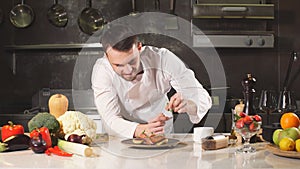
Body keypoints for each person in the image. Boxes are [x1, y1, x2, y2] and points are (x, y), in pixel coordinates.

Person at [91, 24, 212, 138]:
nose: (128, 70)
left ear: (139, 47)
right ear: (107, 56)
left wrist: (189, 103)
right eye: (118, 65)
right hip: (121, 139)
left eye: (132, 61)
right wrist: (140, 130)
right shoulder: (102, 71)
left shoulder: (163, 59)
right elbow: (110, 119)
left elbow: (203, 97)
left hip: (162, 135)